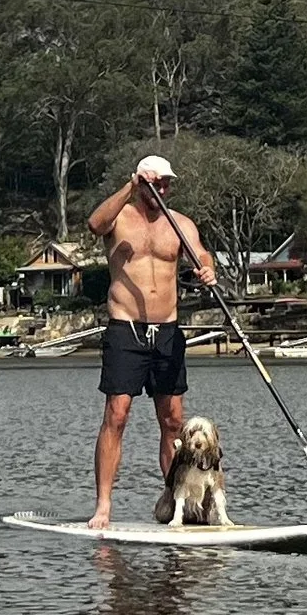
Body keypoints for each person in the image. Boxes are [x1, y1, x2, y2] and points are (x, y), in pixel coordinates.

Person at [82, 155, 214, 529]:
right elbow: (95, 224)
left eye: (166, 184)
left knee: (173, 422)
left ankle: (179, 504)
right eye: (155, 184)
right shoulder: (120, 217)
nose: (162, 190)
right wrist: (130, 183)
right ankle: (104, 505)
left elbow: (200, 252)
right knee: (117, 416)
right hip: (126, 329)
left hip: (168, 332)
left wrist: (207, 268)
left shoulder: (179, 223)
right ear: (141, 184)